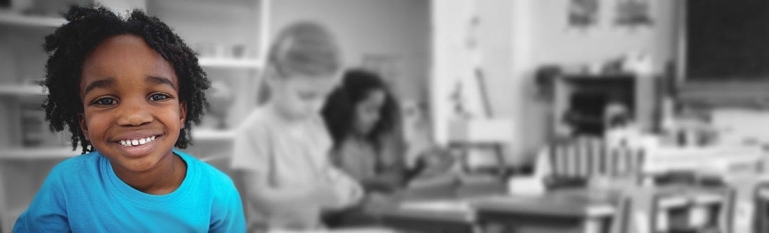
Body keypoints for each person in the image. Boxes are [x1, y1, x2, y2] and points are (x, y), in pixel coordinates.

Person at [13, 5, 246, 233]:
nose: (134, 117)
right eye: (105, 101)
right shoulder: (66, 185)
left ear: (181, 113)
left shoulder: (218, 193)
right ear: (84, 124)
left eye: (157, 96)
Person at [230, 21, 363, 231]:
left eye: (323, 96)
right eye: (306, 95)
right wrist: (313, 194)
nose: (316, 105)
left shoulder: (315, 124)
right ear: (273, 76)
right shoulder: (256, 129)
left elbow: (323, 171)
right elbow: (259, 197)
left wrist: (341, 184)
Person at [320, 69, 406, 226]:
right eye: (369, 110)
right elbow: (322, 209)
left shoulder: (368, 146)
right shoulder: (333, 148)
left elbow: (385, 183)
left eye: (379, 110)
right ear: (347, 108)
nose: (377, 117)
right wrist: (365, 186)